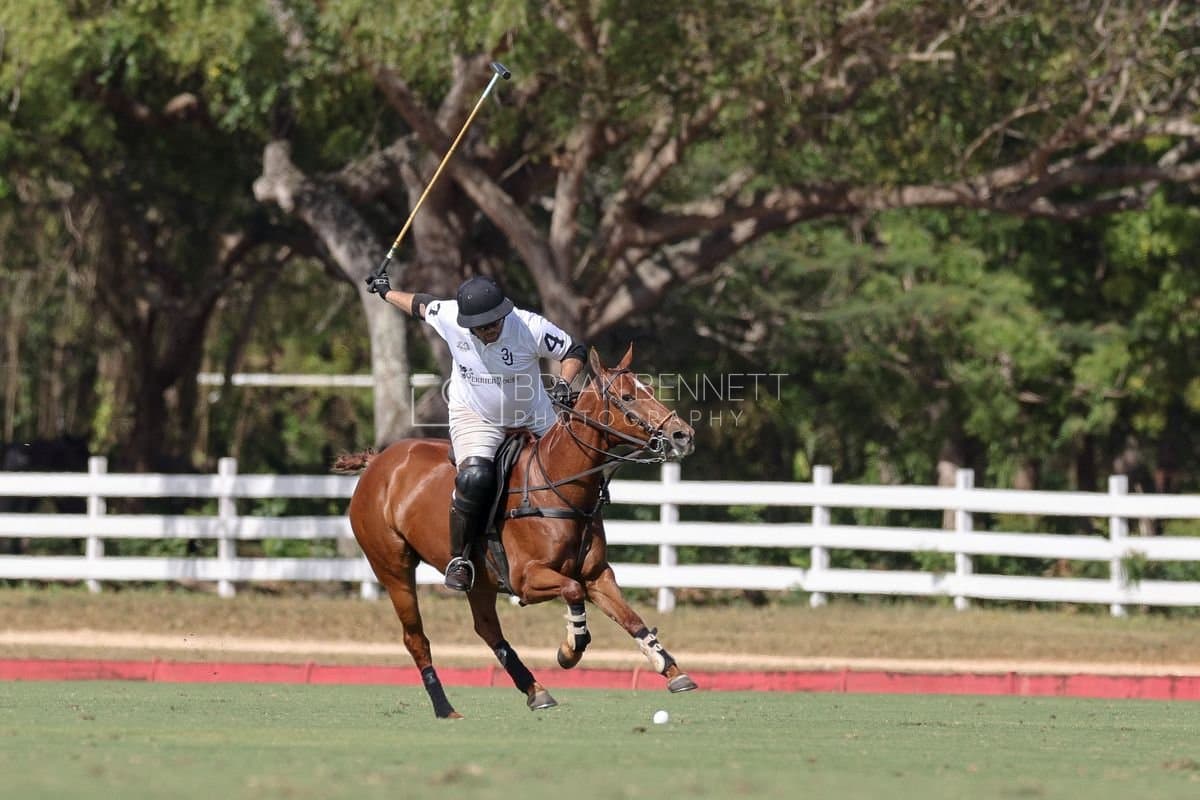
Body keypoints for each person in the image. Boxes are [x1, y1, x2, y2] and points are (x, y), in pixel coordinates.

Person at [367, 272, 586, 591]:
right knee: (474, 479)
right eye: (480, 327)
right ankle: (461, 557)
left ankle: (586, 545)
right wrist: (385, 292)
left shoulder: (528, 327)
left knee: (575, 465)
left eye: (493, 323)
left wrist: (565, 383)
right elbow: (421, 305)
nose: (487, 331)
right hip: (476, 417)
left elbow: (573, 351)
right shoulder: (450, 317)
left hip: (534, 413)